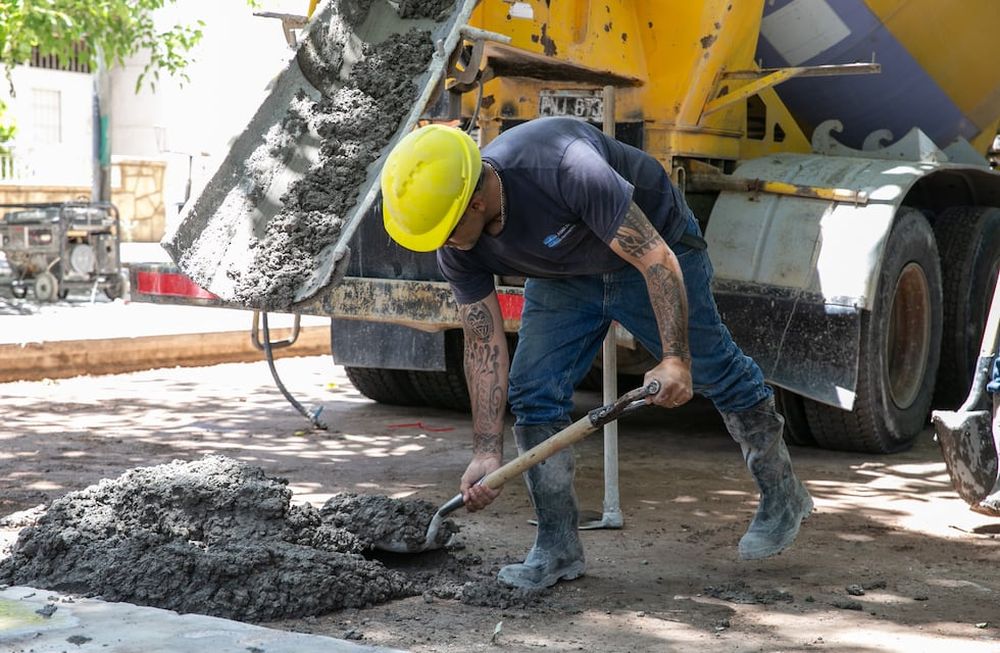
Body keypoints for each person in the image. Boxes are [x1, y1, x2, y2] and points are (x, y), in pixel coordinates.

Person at [379, 117, 813, 590]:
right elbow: (484, 344)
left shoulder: (565, 166)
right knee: (533, 394)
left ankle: (781, 493)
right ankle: (556, 547)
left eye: (445, 231)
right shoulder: (459, 247)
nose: (442, 245)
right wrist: (486, 450)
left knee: (715, 372)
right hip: (565, 279)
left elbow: (656, 259)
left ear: (476, 203)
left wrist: (675, 359)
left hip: (651, 251)